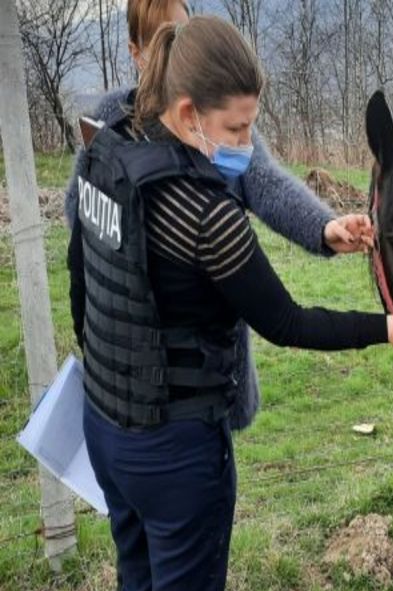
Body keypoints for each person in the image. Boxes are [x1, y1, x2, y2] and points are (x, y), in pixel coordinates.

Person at [69, 16, 393, 591]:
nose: (247, 148)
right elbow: (288, 321)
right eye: (237, 132)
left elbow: (82, 277)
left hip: (105, 425)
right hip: (179, 454)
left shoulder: (105, 152)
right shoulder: (206, 217)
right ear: (187, 112)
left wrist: (324, 229)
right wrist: (385, 328)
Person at [65, 0, 369, 433]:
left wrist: (322, 227)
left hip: (208, 374)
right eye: (163, 39)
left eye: (187, 33)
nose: (181, 51)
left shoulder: (222, 124)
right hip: (131, 376)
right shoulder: (110, 125)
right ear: (136, 52)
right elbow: (82, 227)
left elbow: (265, 183)